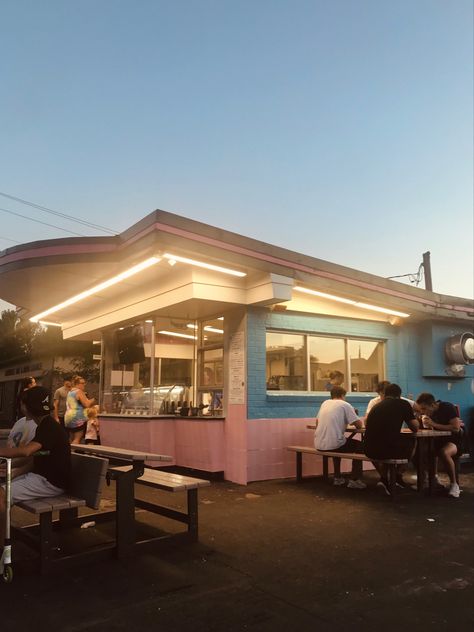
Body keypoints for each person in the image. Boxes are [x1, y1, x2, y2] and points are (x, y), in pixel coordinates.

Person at [0, 386, 71, 556]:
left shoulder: (48, 427)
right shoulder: (46, 426)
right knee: (3, 493)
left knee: (0, 496)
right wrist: (15, 469)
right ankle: (3, 538)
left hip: (50, 483)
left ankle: (3, 548)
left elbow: (27, 451)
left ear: (26, 407)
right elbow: (39, 457)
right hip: (44, 478)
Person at [364, 383, 419, 494]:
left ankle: (384, 480)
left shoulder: (376, 405)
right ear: (399, 395)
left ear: (385, 394)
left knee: (387, 441)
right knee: (413, 442)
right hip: (387, 450)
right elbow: (415, 427)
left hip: (368, 450)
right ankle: (398, 475)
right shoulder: (403, 403)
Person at [314, 386, 366, 489]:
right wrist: (354, 415)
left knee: (338, 442)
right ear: (343, 395)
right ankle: (354, 480)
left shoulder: (325, 403)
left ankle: (337, 478)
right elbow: (359, 425)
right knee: (361, 446)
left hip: (318, 444)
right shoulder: (345, 405)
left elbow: (317, 422)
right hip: (334, 444)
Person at [415, 392, 462, 498]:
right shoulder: (429, 414)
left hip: (454, 441)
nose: (422, 412)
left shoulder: (447, 407)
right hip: (437, 440)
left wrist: (434, 424)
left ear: (432, 405)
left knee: (444, 452)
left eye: (424, 409)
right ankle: (431, 479)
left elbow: (456, 428)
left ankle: (454, 484)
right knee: (419, 452)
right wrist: (420, 420)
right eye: (421, 409)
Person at [64, 376, 96, 444]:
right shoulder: (79, 391)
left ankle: (68, 452)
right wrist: (93, 400)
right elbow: (86, 404)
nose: (84, 384)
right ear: (77, 384)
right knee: (77, 438)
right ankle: (73, 453)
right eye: (83, 383)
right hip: (78, 417)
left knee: (71, 438)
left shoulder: (70, 392)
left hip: (68, 417)